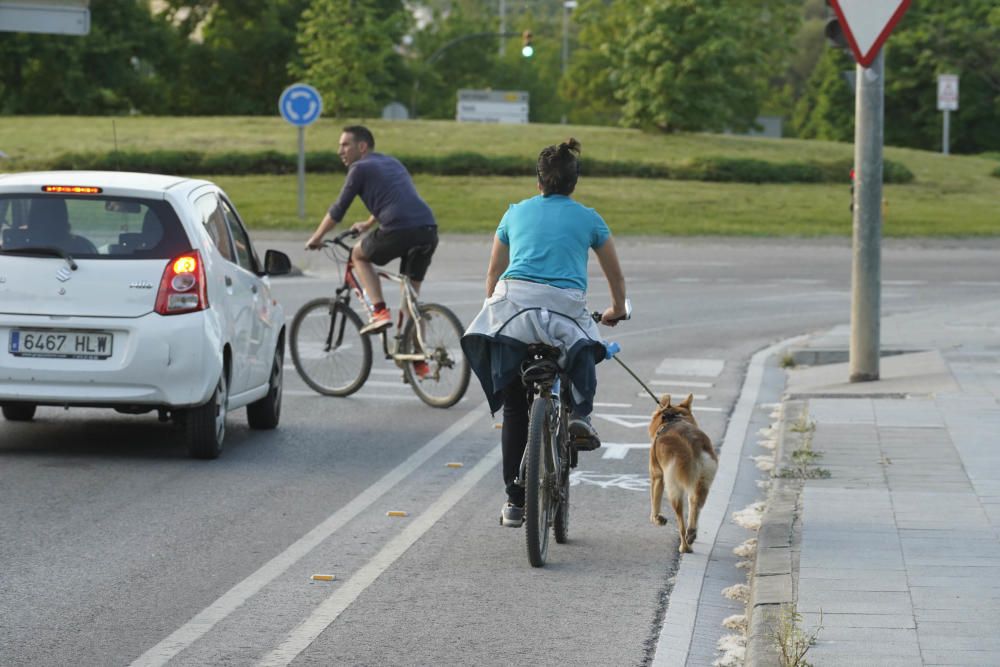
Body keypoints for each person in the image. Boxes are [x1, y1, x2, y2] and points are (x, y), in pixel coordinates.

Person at [461, 138, 628, 528]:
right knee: (582, 349)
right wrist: (617, 310)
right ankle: (579, 415)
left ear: (538, 181)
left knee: (516, 405)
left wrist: (495, 308)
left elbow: (493, 273)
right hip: (564, 311)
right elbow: (614, 275)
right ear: (574, 182)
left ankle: (514, 502)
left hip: (513, 308)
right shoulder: (589, 219)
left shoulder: (514, 213)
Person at [306, 125, 438, 337]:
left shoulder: (359, 168)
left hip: (399, 229)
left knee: (358, 255)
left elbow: (338, 210)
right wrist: (368, 224)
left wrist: (316, 238)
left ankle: (379, 312)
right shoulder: (392, 162)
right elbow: (397, 198)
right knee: (410, 298)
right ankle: (419, 360)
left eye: (345, 145)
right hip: (428, 229)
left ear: (362, 146)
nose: (340, 151)